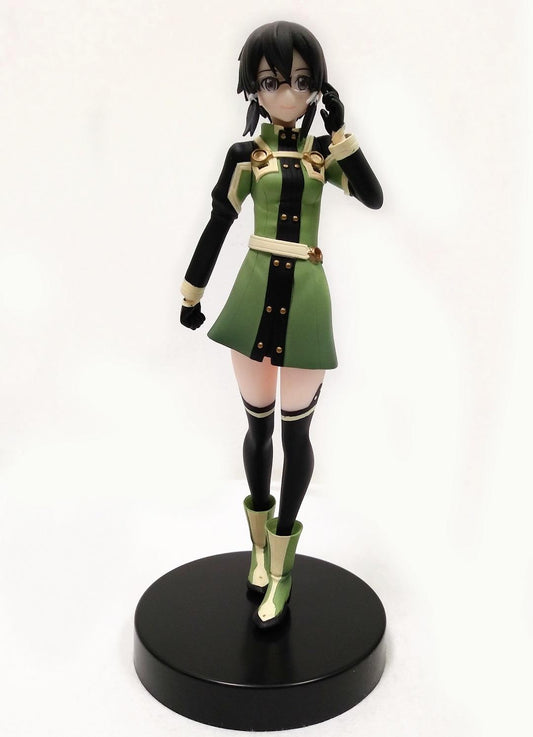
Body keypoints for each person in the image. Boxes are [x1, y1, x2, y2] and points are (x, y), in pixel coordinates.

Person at [180, 20, 383, 628]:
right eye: (272, 82)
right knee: (258, 429)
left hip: (307, 303)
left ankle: (282, 563)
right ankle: (257, 547)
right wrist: (192, 293)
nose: (288, 94)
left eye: (301, 80)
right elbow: (218, 224)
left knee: (297, 436)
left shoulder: (324, 156)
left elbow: (372, 196)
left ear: (318, 85)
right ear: (253, 89)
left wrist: (341, 133)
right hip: (251, 298)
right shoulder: (245, 156)